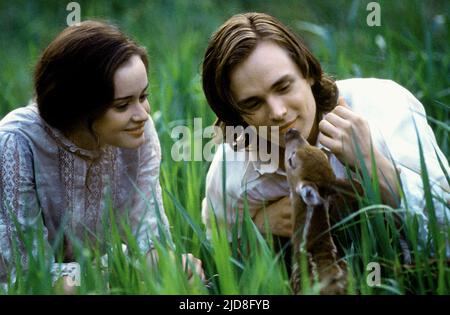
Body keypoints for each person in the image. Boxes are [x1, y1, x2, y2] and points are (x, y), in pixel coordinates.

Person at [200, 12, 449, 257]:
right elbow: (223, 257)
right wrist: (259, 226)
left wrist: (371, 160)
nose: (278, 112)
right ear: (236, 115)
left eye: (284, 86)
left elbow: (444, 231)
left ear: (307, 71)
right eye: (253, 103)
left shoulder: (384, 106)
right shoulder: (231, 171)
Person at [0, 20, 204, 291]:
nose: (143, 115)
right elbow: (29, 268)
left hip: (95, 273)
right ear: (79, 106)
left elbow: (146, 238)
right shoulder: (18, 141)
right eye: (122, 105)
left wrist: (172, 266)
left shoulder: (137, 135)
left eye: (143, 96)